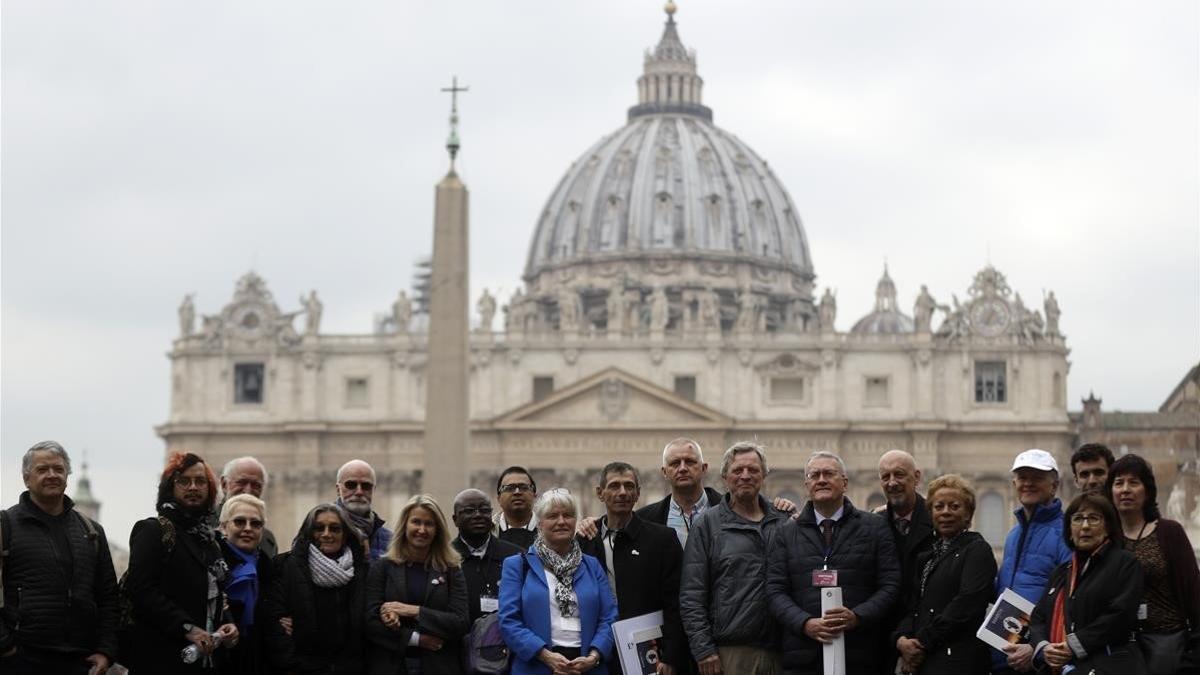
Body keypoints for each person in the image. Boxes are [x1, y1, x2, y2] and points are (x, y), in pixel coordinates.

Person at [766, 450, 900, 675]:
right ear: (806, 484)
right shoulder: (786, 533)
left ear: (845, 482)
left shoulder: (875, 527)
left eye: (828, 474)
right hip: (802, 657)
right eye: (814, 475)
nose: (821, 480)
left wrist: (857, 617)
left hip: (860, 654)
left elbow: (890, 585)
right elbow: (774, 590)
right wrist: (805, 623)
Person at [0, 440, 119, 674]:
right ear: (26, 479)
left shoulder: (91, 531)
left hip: (79, 661)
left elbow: (108, 597)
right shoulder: (5, 526)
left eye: (59, 469)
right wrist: (4, 645)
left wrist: (106, 650)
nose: (52, 475)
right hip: (21, 659)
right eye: (42, 469)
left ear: (67, 475)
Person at [681, 441, 789, 675]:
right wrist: (704, 650)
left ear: (764, 475)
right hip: (730, 653)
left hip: (782, 651)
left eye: (753, 470)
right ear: (724, 478)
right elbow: (691, 595)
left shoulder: (783, 522)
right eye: (737, 471)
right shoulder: (707, 525)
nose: (745, 476)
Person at [125, 452, 239, 672]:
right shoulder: (153, 530)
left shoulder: (209, 539)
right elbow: (141, 590)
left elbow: (215, 594)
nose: (193, 487)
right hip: (160, 658)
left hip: (203, 660)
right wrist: (187, 628)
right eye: (184, 481)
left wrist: (227, 623)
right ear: (170, 487)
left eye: (200, 481)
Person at [578, 462, 687, 675]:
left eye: (629, 486)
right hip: (595, 650)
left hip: (649, 651)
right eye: (614, 486)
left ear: (638, 494)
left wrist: (671, 657)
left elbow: (677, 602)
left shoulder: (662, 539)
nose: (622, 493)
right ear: (600, 493)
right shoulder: (584, 541)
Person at [499, 489, 617, 674]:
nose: (561, 521)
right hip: (537, 666)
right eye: (553, 516)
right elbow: (509, 621)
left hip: (588, 666)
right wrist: (545, 656)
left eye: (568, 515)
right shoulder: (517, 565)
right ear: (540, 523)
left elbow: (609, 617)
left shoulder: (592, 565)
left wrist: (594, 656)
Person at [1026, 493, 1146, 673]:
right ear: (1069, 529)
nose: (1085, 526)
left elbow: (1120, 615)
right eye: (1077, 519)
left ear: (1108, 527)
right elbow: (1038, 618)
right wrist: (1045, 648)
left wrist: (1073, 645)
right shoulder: (1061, 572)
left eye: (1093, 518)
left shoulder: (1125, 563)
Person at [892, 475, 997, 675]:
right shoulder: (927, 557)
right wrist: (902, 639)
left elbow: (966, 604)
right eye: (939, 507)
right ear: (930, 513)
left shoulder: (977, 550)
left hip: (959, 660)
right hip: (926, 661)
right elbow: (913, 605)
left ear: (969, 514)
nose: (946, 512)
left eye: (954, 506)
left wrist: (922, 642)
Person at [1107, 454, 1200, 674]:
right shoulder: (1107, 540)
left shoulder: (1169, 532)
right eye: (1118, 483)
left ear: (1147, 491)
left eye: (1134, 482)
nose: (1125, 489)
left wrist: (1192, 658)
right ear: (1110, 492)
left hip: (1167, 647)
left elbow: (1195, 594)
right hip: (1121, 651)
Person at [366, 494, 469, 674]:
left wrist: (414, 611)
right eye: (416, 522)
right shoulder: (383, 567)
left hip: (439, 666)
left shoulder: (451, 570)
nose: (422, 529)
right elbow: (370, 622)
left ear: (437, 529)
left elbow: (460, 622)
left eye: (429, 524)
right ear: (405, 525)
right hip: (391, 665)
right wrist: (416, 639)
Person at [265, 503, 369, 673]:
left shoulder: (362, 571)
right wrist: (293, 665)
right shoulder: (285, 566)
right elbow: (274, 623)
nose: (326, 534)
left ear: (345, 535)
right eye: (319, 528)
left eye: (335, 529)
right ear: (309, 532)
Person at [993, 448, 1071, 673]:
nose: (1028, 483)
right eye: (1022, 478)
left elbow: (1069, 602)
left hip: (1040, 656)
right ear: (1014, 483)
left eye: (1037, 478)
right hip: (1006, 652)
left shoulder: (1066, 534)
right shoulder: (1013, 535)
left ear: (1054, 486)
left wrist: (1036, 646)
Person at [875, 449, 935, 662]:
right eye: (885, 477)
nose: (892, 483)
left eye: (899, 474)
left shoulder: (941, 521)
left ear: (917, 477)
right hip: (884, 641)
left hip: (929, 640)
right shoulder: (873, 524)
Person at [450, 489, 522, 625]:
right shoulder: (444, 558)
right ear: (455, 520)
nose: (478, 515)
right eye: (469, 511)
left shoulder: (515, 556)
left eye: (484, 510)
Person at [218, 494, 272, 674]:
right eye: (239, 522)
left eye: (255, 524)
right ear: (224, 526)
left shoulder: (268, 566)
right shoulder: (210, 560)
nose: (248, 528)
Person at [637, 438, 723, 547]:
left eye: (690, 462)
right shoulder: (643, 519)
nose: (682, 468)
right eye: (675, 463)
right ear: (664, 472)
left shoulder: (731, 510)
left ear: (704, 468)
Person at [220, 457, 278, 558]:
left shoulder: (268, 539)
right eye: (241, 482)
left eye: (256, 485)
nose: (248, 490)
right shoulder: (204, 527)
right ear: (224, 485)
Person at [336, 459, 393, 561]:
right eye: (351, 485)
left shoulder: (391, 541)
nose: (359, 492)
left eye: (366, 486)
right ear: (338, 489)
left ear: (373, 490)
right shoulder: (318, 531)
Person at [495, 467, 538, 550]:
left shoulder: (548, 528)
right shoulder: (487, 531)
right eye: (509, 488)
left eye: (524, 487)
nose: (517, 492)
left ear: (534, 496)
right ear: (499, 499)